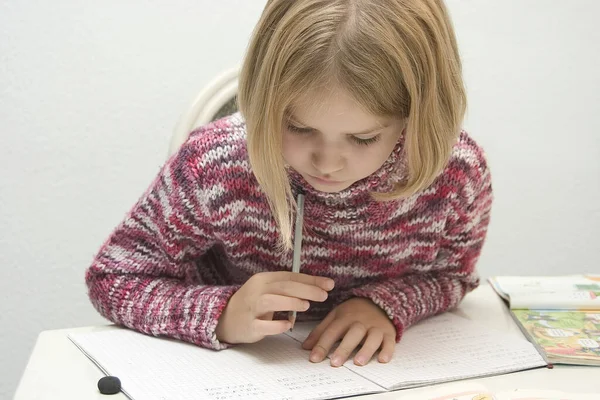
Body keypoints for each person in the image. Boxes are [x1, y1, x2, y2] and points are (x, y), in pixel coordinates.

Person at [86, 0, 493, 368]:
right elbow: (114, 278)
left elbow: (452, 275)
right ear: (264, 99)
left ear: (418, 115)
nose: (327, 162)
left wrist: (386, 306)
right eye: (298, 127)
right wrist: (224, 313)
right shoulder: (214, 166)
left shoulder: (454, 173)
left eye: (363, 138)